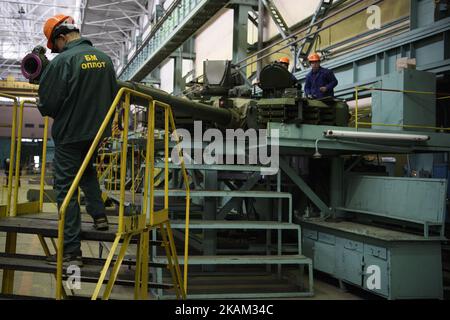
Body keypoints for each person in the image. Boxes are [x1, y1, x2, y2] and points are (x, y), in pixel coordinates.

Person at [37, 14, 118, 267]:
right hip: (97, 134)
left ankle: (71, 251)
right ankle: (99, 216)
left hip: (71, 134)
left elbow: (48, 105)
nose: (55, 51)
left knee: (66, 189)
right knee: (87, 172)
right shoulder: (105, 60)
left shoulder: (64, 61)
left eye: (55, 46)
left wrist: (44, 82)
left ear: (61, 38)